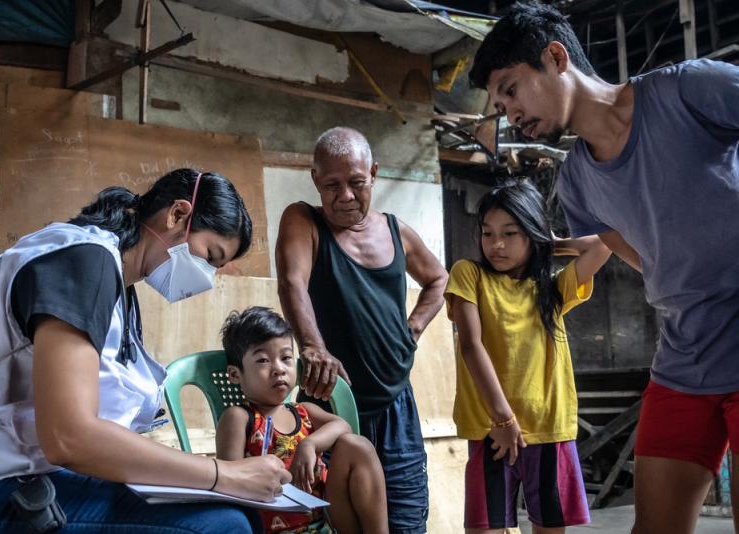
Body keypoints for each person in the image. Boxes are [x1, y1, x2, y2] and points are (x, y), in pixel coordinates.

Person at [470, 3, 739, 534]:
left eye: (511, 88)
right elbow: (646, 258)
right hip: (685, 359)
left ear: (555, 57)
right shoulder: (576, 184)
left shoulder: (685, 90)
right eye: (499, 102)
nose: (508, 111)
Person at [0, 168, 291, 532]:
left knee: (235, 512)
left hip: (13, 467)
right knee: (221, 525)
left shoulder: (115, 280)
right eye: (208, 256)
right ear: (178, 215)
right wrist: (222, 473)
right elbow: (68, 436)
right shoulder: (85, 261)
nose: (205, 277)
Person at [275, 127, 448, 533]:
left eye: (356, 182)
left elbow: (439, 280)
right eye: (332, 184)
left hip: (396, 407)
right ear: (315, 179)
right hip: (330, 410)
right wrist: (313, 346)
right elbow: (291, 282)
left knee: (405, 521)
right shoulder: (304, 220)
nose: (345, 195)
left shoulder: (395, 230)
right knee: (333, 525)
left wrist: (414, 329)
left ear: (373, 173)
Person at [444, 181, 611, 533]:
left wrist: (546, 244)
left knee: (549, 527)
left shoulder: (551, 288)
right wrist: (504, 421)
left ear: (531, 234)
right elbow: (472, 346)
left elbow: (601, 245)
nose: (496, 244)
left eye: (510, 232)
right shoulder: (469, 274)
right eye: (488, 233)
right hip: (492, 428)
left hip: (548, 427)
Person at [216, 306, 389, 534]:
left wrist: (310, 444)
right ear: (235, 374)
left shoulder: (303, 412)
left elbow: (342, 426)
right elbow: (229, 483)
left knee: (357, 446)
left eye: (286, 358)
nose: (278, 369)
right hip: (269, 526)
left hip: (327, 520)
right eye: (262, 361)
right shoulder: (239, 417)